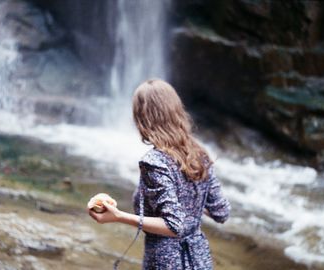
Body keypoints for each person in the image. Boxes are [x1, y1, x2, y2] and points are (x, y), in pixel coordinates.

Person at [88, 79, 231, 269]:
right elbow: (221, 212)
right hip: (199, 259)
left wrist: (119, 216)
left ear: (142, 119)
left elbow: (173, 226)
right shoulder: (199, 153)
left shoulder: (154, 163)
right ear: (176, 111)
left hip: (166, 261)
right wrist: (190, 207)